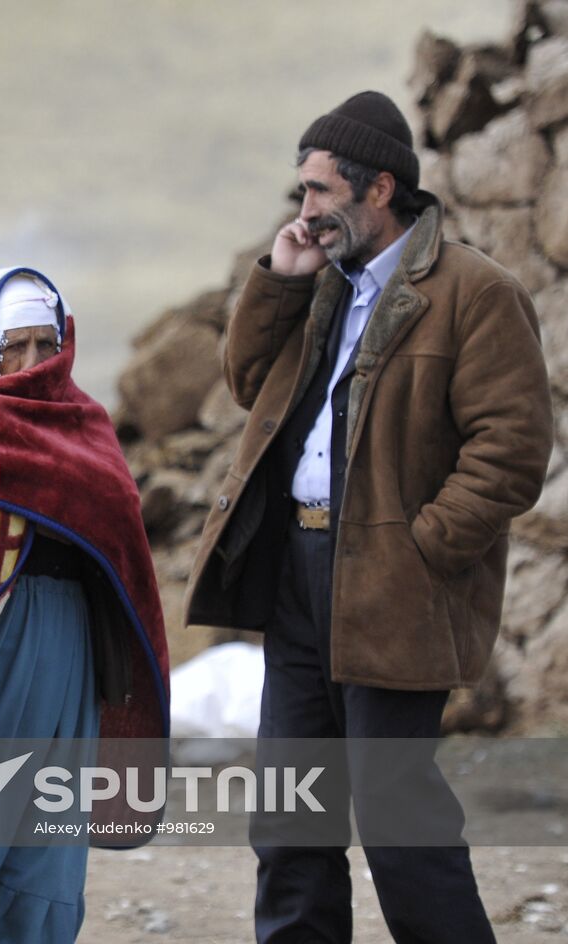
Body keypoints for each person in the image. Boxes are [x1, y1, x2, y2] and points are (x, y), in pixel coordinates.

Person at [184, 91, 555, 943]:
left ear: (378, 189)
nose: (305, 210)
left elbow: (512, 451)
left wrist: (425, 549)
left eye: (318, 191)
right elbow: (248, 386)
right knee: (291, 822)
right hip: (298, 582)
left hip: (398, 587)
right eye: (302, 191)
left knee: (398, 822)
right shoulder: (319, 284)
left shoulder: (475, 293)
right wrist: (279, 282)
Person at [0, 268, 170, 944]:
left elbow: (125, 547)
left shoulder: (85, 426)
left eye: (47, 344)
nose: (34, 364)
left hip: (70, 650)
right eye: (16, 346)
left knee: (45, 847)